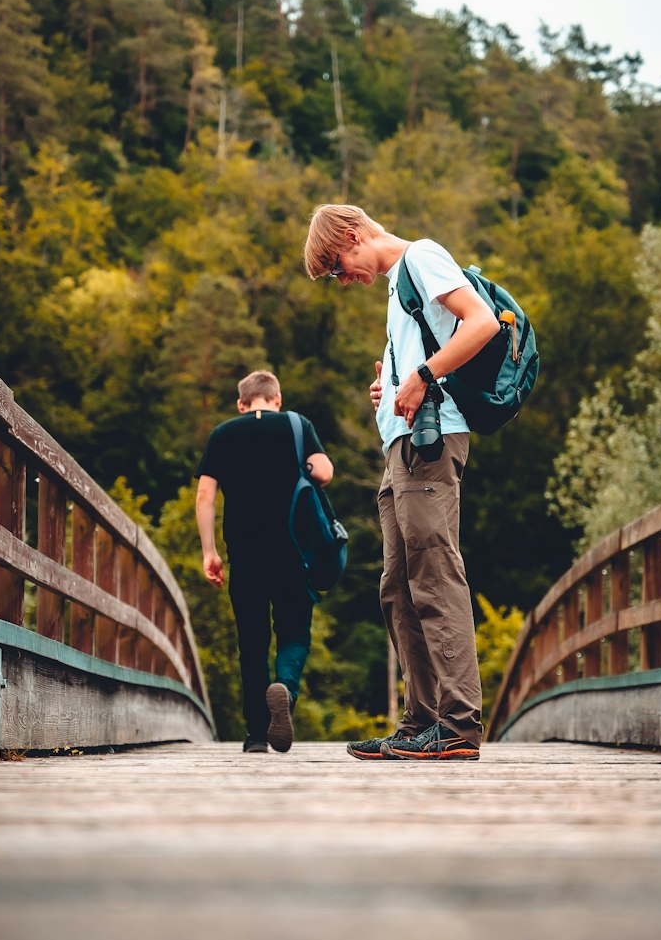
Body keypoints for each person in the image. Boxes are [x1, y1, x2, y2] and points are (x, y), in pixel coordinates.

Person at [304, 205, 498, 763]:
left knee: (435, 577)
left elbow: (481, 323)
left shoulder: (423, 255)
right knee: (397, 587)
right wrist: (389, 382)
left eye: (338, 267)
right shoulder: (398, 287)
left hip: (430, 448)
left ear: (353, 234)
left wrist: (420, 376)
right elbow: (422, 353)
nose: (343, 281)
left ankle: (458, 724)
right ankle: (421, 722)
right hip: (401, 450)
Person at [195, 369, 334, 754]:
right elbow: (323, 471)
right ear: (277, 399)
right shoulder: (296, 425)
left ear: (241, 404)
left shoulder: (223, 434)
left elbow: (205, 496)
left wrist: (210, 551)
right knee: (294, 633)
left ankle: (256, 734)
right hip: (293, 551)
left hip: (245, 553)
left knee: (252, 642)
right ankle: (285, 690)